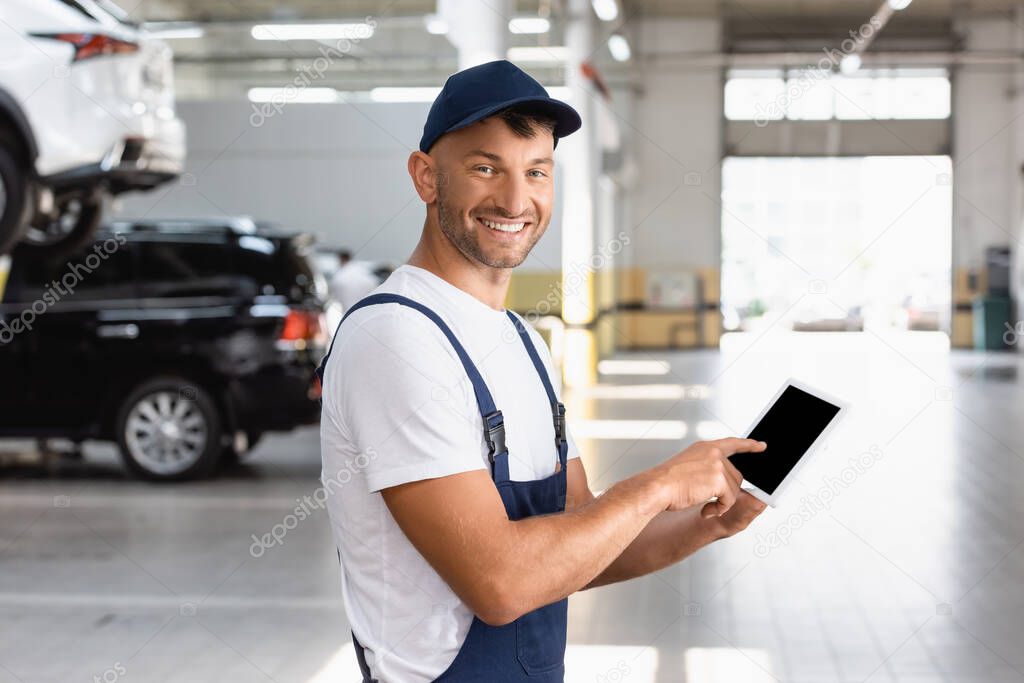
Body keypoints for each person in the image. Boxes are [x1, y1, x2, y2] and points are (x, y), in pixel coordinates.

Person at [317, 60, 767, 682]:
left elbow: (580, 544)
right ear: (425, 176)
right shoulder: (395, 337)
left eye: (536, 172)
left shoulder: (522, 340)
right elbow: (500, 583)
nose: (514, 199)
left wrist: (702, 527)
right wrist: (657, 486)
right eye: (484, 168)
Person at [328, 249, 381, 314]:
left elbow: (333, 297)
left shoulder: (339, 276)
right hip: (365, 311)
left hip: (347, 313)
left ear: (341, 259)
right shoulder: (363, 271)